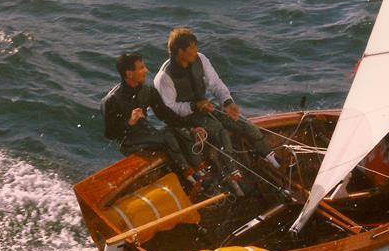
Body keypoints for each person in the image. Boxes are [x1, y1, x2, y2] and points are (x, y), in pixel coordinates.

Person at [153, 27, 280, 175]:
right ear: (180, 51)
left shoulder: (201, 59)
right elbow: (171, 107)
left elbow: (215, 83)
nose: (196, 51)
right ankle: (232, 171)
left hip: (206, 107)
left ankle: (271, 158)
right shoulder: (164, 77)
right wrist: (194, 106)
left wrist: (227, 102)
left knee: (244, 124)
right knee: (219, 131)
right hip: (185, 118)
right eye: (192, 48)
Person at [102, 52, 206, 189]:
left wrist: (192, 128)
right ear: (129, 74)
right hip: (129, 142)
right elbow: (110, 134)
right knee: (168, 137)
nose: (146, 70)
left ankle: (201, 170)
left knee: (178, 131)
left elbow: (166, 115)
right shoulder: (111, 101)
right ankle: (190, 177)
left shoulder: (148, 91)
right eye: (141, 68)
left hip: (148, 134)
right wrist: (130, 122)